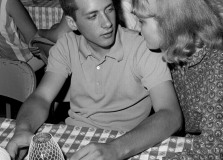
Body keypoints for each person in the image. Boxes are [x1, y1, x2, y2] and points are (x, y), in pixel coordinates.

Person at [6, 0, 182, 160]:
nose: (107, 23)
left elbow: (171, 114)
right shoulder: (67, 46)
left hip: (129, 143)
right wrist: (23, 129)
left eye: (109, 9)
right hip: (76, 139)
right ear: (72, 23)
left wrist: (115, 149)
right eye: (93, 16)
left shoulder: (143, 48)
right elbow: (42, 97)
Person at [132, 0, 223, 159]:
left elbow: (216, 147)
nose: (136, 29)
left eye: (141, 22)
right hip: (190, 137)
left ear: (168, 23)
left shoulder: (220, 62)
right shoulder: (173, 48)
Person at [0, 0, 70, 71]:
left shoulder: (8, 3)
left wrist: (41, 33)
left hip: (30, 59)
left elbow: (35, 41)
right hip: (11, 64)